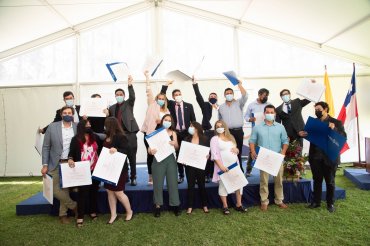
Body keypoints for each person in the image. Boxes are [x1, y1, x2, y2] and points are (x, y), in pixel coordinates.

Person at [299, 102, 346, 213]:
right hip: (315, 157)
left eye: (319, 109)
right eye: (315, 109)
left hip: (329, 157)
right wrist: (304, 134)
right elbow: (310, 135)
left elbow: (343, 137)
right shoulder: (314, 123)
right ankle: (316, 202)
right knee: (317, 180)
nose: (317, 111)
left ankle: (330, 203)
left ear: (325, 109)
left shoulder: (336, 122)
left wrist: (334, 129)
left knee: (330, 181)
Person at [41, 106, 77, 224]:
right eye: (65, 113)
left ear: (72, 114)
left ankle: (63, 215)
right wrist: (45, 164)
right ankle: (74, 206)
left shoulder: (77, 127)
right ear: (61, 115)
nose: (67, 114)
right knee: (54, 189)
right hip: (54, 163)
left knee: (65, 188)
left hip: (71, 163)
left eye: (69, 113)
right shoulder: (52, 127)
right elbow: (46, 147)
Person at [249, 104, 289, 211]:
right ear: (264, 114)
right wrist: (252, 151)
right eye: (268, 112)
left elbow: (285, 141)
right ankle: (264, 201)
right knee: (264, 180)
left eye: (272, 112)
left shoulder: (281, 127)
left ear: (275, 114)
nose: (270, 114)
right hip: (264, 157)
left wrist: (283, 152)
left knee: (279, 180)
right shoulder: (257, 127)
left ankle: (279, 200)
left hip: (277, 157)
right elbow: (252, 141)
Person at [67, 119, 102, 227]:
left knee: (94, 192)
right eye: (87, 124)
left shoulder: (95, 137)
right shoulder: (75, 139)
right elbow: (71, 153)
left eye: (90, 124)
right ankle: (80, 216)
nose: (89, 126)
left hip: (95, 169)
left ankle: (93, 211)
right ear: (82, 126)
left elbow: (100, 151)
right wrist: (70, 159)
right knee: (83, 193)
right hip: (82, 170)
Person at [161, 83, 196, 184]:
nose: (178, 96)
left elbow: (193, 120)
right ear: (173, 97)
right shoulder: (171, 105)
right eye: (175, 95)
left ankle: (192, 176)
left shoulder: (189, 106)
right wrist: (165, 85)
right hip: (175, 133)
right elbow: (162, 96)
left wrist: (193, 132)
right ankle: (181, 175)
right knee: (178, 155)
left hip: (187, 133)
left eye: (179, 94)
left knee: (188, 154)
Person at [210, 120, 248, 215]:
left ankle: (239, 205)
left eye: (221, 126)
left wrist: (237, 150)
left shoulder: (231, 137)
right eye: (217, 126)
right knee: (223, 186)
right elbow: (214, 155)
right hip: (223, 167)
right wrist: (221, 166)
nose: (219, 128)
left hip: (235, 165)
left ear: (225, 127)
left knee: (239, 185)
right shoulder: (214, 139)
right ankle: (225, 206)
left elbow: (236, 150)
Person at [108, 75, 139, 186]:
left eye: (121, 95)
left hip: (130, 133)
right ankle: (124, 176)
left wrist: (130, 85)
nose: (119, 96)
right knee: (121, 157)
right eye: (117, 95)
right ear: (115, 96)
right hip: (118, 136)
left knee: (132, 157)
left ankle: (133, 177)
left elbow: (133, 96)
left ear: (124, 96)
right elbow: (110, 121)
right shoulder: (111, 108)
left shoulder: (129, 103)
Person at [148, 114, 181, 217]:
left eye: (169, 120)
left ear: (172, 122)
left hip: (171, 160)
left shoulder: (173, 133)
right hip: (158, 160)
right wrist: (151, 151)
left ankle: (175, 205)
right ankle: (157, 206)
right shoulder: (155, 133)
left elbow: (177, 147)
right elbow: (149, 149)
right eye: (165, 120)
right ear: (162, 121)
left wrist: (174, 143)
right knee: (157, 184)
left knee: (173, 183)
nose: (167, 121)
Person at [141, 71, 170, 185]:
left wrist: (162, 122)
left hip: (162, 136)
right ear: (157, 98)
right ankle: (150, 177)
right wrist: (147, 77)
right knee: (150, 155)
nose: (161, 100)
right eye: (159, 98)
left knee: (161, 155)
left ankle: (161, 176)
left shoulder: (167, 111)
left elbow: (169, 123)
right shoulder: (152, 104)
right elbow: (148, 90)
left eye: (163, 98)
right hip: (150, 134)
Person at [103, 117, 133, 224]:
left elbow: (126, 150)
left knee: (119, 192)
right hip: (108, 168)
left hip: (119, 168)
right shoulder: (106, 137)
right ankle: (113, 214)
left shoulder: (121, 137)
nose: (105, 126)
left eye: (106, 124)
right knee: (109, 192)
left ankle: (129, 212)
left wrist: (117, 150)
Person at [192, 76, 218, 183]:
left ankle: (213, 174)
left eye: (214, 96)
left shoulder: (221, 107)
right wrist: (195, 84)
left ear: (217, 98)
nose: (212, 97)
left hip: (218, 133)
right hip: (207, 132)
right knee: (206, 154)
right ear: (208, 98)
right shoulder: (206, 105)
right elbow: (199, 97)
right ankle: (206, 175)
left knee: (215, 154)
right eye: (211, 96)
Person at [218, 80, 248, 172]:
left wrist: (239, 85)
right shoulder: (221, 107)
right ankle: (230, 168)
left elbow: (245, 95)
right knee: (228, 150)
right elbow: (219, 121)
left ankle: (239, 169)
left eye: (231, 93)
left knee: (238, 150)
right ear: (224, 95)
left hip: (238, 131)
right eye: (227, 93)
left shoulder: (239, 103)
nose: (229, 94)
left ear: (233, 94)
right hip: (227, 132)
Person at [184, 122, 209, 214]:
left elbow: (208, 152)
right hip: (189, 166)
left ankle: (205, 205)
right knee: (190, 186)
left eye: (191, 126)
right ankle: (190, 206)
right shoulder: (186, 139)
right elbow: (184, 153)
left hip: (200, 166)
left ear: (197, 128)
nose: (189, 128)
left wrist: (208, 155)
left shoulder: (205, 139)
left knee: (202, 185)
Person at [244, 88, 270, 177]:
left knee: (267, 150)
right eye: (264, 95)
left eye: (267, 96)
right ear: (259, 95)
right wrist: (250, 119)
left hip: (267, 132)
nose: (265, 97)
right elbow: (246, 116)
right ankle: (248, 170)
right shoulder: (251, 105)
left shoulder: (269, 105)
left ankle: (268, 170)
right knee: (252, 151)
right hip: (255, 132)